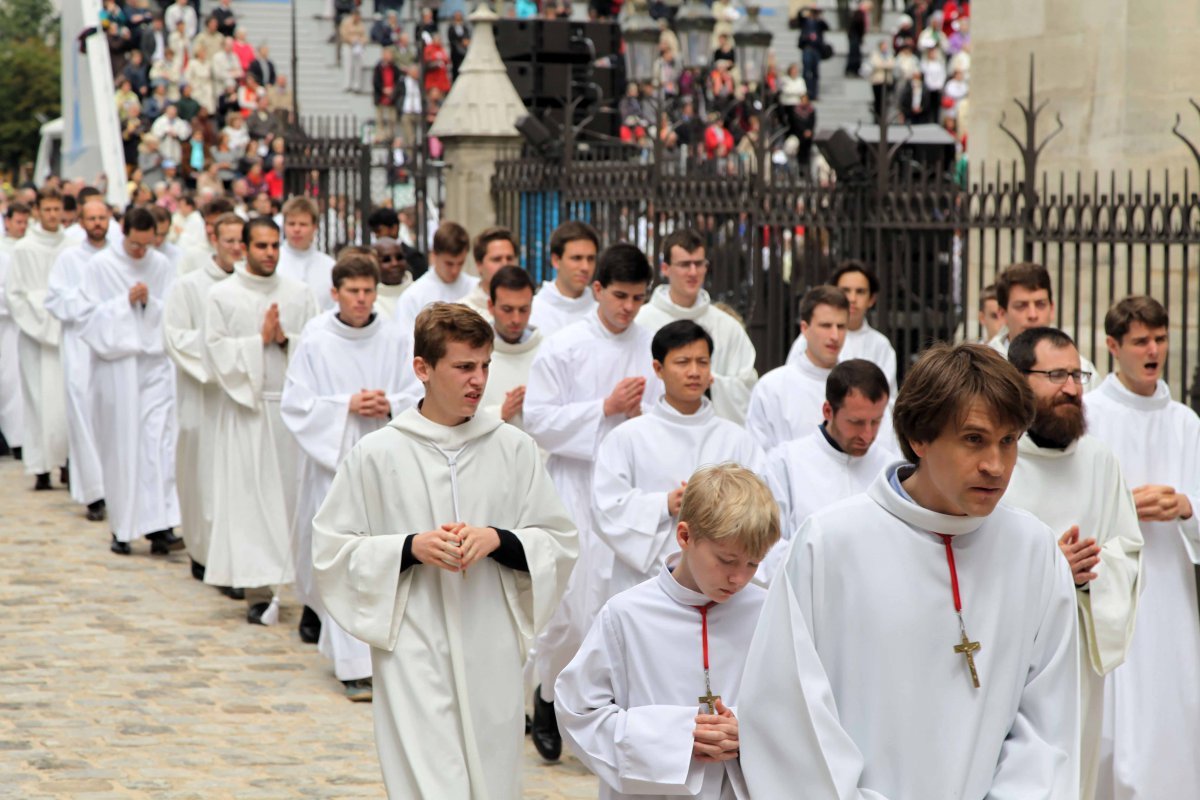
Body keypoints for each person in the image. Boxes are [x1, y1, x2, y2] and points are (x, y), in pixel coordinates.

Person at [740, 342, 1081, 798]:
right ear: (920, 437)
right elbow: (788, 713)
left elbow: (1048, 724)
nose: (995, 466)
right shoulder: (831, 544)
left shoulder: (1034, 551)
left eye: (1009, 441)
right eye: (974, 439)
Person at [311, 302, 578, 798]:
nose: (478, 380)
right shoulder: (378, 453)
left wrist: (499, 539)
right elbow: (332, 551)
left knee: (492, 778)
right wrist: (411, 547)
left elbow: (559, 539)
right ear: (423, 369)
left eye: (484, 366)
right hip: (414, 643)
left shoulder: (512, 448)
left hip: (490, 641)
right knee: (431, 782)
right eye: (463, 367)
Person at [557, 463, 779, 799]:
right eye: (727, 560)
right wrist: (677, 737)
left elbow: (800, 709)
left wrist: (746, 730)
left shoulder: (769, 612)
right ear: (686, 536)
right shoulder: (626, 614)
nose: (739, 578)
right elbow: (579, 713)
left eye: (753, 563)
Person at [524, 242, 664, 762]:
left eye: (638, 298)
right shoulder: (564, 347)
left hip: (630, 488)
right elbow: (538, 419)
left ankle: (600, 721)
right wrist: (604, 408)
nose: (628, 308)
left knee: (616, 605)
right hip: (576, 486)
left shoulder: (653, 347)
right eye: (620, 296)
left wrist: (639, 415)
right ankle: (546, 694)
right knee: (569, 609)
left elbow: (665, 413)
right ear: (598, 290)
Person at [1003, 326, 1143, 799]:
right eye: (1056, 374)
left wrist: (1088, 577)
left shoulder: (1100, 461)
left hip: (1076, 660)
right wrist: (1047, 566)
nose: (1072, 388)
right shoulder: (996, 461)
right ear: (1019, 380)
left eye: (1078, 374)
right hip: (1008, 656)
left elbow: (1128, 552)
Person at [281, 253, 420, 701]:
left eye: (368, 291)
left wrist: (392, 404)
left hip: (386, 464)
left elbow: (418, 388)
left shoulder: (397, 337)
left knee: (381, 562)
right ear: (335, 293)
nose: (362, 300)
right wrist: (344, 405)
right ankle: (351, 662)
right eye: (353, 292)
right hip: (334, 466)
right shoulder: (316, 341)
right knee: (345, 563)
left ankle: (380, 655)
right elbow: (296, 404)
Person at [1086, 296, 1200, 799]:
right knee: (1115, 707)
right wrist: (1123, 504)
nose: (1154, 350)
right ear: (1113, 346)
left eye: (1160, 339)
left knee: (1173, 700)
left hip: (1170, 584)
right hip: (1113, 580)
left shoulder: (1185, 422)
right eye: (1140, 342)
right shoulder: (1089, 415)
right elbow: (1076, 502)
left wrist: (1186, 506)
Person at [592, 320, 763, 607]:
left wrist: (720, 509)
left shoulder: (737, 439)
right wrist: (665, 504)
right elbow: (605, 508)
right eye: (682, 362)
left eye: (702, 362)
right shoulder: (627, 437)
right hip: (645, 583)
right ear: (658, 369)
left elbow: (761, 508)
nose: (694, 372)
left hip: (721, 586)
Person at [202, 218, 319, 623]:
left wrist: (287, 339)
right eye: (262, 246)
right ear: (244, 249)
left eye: (275, 245)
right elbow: (213, 351)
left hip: (289, 411)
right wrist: (259, 342)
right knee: (252, 501)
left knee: (292, 500)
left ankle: (304, 587)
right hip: (247, 410)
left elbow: (318, 348)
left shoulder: (299, 294)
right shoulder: (222, 295)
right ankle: (258, 588)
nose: (270, 253)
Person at [77, 207, 183, 556]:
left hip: (152, 365)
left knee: (158, 444)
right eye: (135, 245)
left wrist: (149, 303)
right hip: (117, 367)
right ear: (123, 233)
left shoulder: (161, 265)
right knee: (122, 448)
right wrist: (124, 304)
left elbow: (172, 311)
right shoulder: (99, 266)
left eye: (146, 245)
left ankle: (160, 526)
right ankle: (122, 528)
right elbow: (88, 319)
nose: (141, 252)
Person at [761, 359, 895, 579]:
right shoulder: (785, 463)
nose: (868, 435)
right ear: (828, 411)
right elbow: (767, 546)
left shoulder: (889, 468)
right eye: (856, 422)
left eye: (876, 422)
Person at [163, 212, 242, 582]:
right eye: (230, 241)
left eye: (242, 241)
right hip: (203, 395)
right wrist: (222, 353)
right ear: (214, 240)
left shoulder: (250, 289)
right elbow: (176, 336)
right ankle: (202, 549)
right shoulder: (189, 286)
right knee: (202, 475)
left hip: (240, 399)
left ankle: (233, 558)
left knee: (235, 479)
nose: (237, 249)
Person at [635, 229, 758, 425]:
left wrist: (711, 382)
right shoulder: (641, 321)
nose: (693, 272)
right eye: (684, 264)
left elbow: (748, 390)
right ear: (665, 268)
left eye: (699, 264)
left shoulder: (728, 327)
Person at [44, 198, 110, 520]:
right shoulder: (69, 258)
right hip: (80, 347)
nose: (98, 223)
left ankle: (116, 487)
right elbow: (54, 300)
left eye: (102, 217)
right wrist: (87, 302)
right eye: (92, 218)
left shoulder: (119, 257)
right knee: (84, 415)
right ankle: (93, 493)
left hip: (113, 346)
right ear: (81, 222)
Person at [7, 188, 71, 491]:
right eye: (47, 210)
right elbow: (15, 294)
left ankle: (69, 463)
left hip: (67, 335)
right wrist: (41, 321)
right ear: (38, 212)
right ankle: (41, 466)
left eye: (57, 209)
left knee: (67, 400)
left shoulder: (71, 246)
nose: (52, 215)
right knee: (37, 400)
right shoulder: (24, 249)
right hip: (34, 336)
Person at [745, 286, 848, 452]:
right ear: (805, 329)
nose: (835, 336)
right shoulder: (771, 388)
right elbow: (756, 456)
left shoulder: (857, 385)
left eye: (841, 326)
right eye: (826, 325)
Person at [786, 261, 898, 395]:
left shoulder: (881, 345)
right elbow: (790, 384)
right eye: (845, 290)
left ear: (872, 299)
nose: (852, 298)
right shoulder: (808, 339)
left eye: (860, 292)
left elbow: (887, 399)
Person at [987, 262, 1098, 383]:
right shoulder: (984, 367)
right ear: (1002, 313)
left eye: (1040, 304)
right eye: (1021, 306)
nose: (1032, 315)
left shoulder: (1082, 370)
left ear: (1052, 308)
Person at [480, 266, 541, 430]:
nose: (516, 319)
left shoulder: (547, 351)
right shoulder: (473, 352)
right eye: (507, 309)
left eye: (523, 310)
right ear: (490, 306)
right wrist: (500, 413)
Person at [393, 221, 474, 334]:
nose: (455, 270)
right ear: (434, 255)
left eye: (460, 263)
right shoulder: (413, 297)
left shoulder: (475, 288)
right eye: (449, 264)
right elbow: (406, 342)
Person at [529, 220, 600, 338]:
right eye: (577, 258)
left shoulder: (602, 312)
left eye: (591, 259)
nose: (585, 267)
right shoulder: (532, 312)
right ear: (556, 260)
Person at [0, 203, 31, 458]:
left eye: (24, 222)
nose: (21, 227)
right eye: (17, 222)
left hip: (11, 326)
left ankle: (17, 439)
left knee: (13, 382)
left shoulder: (20, 252)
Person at [276, 196, 333, 311]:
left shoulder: (329, 266)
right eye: (291, 224)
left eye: (303, 224)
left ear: (314, 227)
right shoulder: (275, 261)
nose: (296, 230)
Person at [460, 226, 518, 321]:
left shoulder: (531, 307)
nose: (505, 264)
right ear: (479, 265)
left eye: (509, 258)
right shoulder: (463, 312)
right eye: (497, 259)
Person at [371, 237, 413, 319]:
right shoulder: (369, 300)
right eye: (386, 260)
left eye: (399, 257)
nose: (394, 263)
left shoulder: (418, 292)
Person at [373, 47, 404, 145]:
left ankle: (390, 138)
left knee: (392, 120)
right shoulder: (378, 67)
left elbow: (398, 83)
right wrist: (383, 90)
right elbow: (375, 82)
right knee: (380, 120)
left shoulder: (395, 68)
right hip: (381, 98)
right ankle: (380, 138)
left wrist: (392, 92)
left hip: (392, 99)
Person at [340, 9, 368, 93]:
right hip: (348, 45)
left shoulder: (361, 24)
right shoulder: (346, 22)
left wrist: (360, 41)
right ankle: (347, 84)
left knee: (358, 65)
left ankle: (357, 85)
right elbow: (343, 33)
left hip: (358, 47)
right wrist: (352, 40)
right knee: (347, 65)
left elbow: (365, 37)